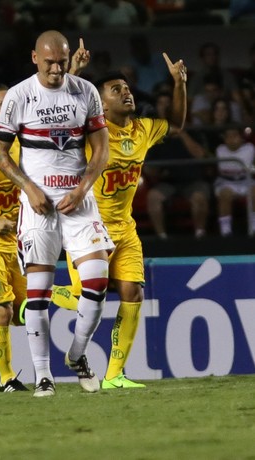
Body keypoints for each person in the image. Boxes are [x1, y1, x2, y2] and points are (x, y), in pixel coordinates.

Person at [0, 30, 115, 397]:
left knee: (97, 281)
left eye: (62, 62)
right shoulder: (19, 96)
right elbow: (0, 153)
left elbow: (101, 150)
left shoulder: (85, 91)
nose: (57, 69)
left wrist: (82, 189)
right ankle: (43, 375)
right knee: (39, 294)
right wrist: (28, 189)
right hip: (38, 207)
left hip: (78, 201)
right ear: (34, 58)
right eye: (49, 63)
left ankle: (77, 355)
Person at [67, 47, 189, 388]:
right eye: (116, 89)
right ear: (102, 104)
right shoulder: (90, 131)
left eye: (127, 87)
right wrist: (75, 70)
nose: (126, 92)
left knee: (132, 292)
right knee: (86, 297)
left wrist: (179, 84)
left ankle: (114, 375)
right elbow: (63, 114)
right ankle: (39, 295)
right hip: (89, 227)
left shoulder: (142, 130)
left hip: (126, 228)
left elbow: (176, 125)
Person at [0, 84, 77, 392]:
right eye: (2, 103)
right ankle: (7, 379)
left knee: (23, 314)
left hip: (15, 242)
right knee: (2, 311)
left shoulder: (23, 146)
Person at [214, 125, 255, 236]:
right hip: (227, 182)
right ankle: (225, 230)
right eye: (228, 136)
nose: (231, 139)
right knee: (225, 194)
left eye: (234, 135)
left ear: (241, 137)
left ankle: (254, 226)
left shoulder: (250, 148)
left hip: (246, 181)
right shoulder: (220, 150)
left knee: (254, 191)